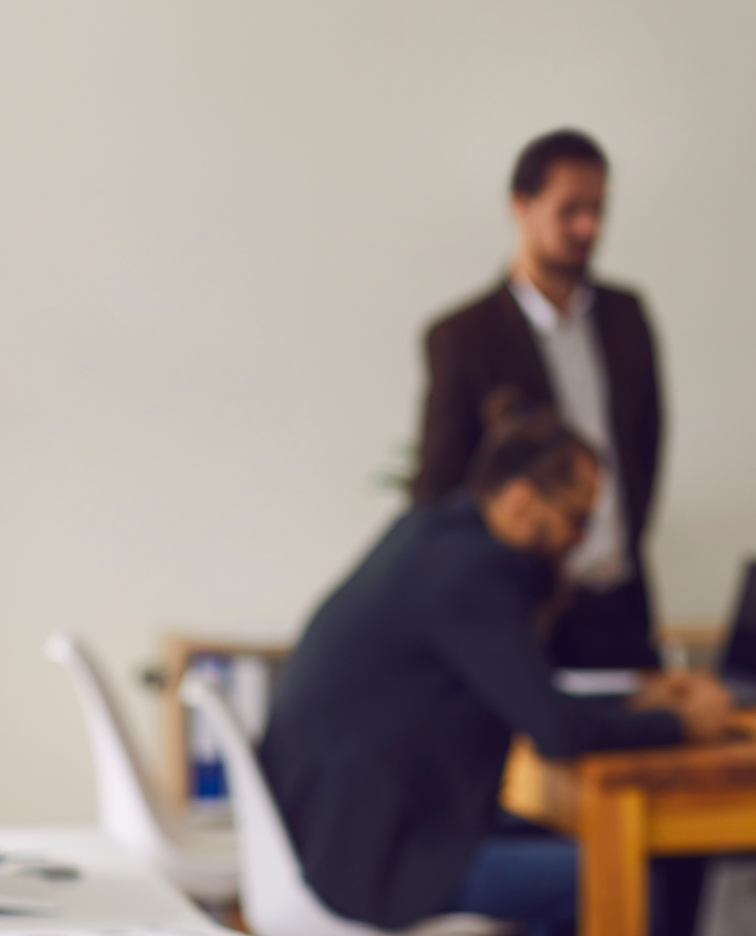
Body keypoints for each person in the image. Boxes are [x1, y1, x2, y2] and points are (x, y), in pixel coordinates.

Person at [261, 400, 731, 936]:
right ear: (520, 500)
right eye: (577, 519)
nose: (581, 540)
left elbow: (526, 694)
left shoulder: (428, 535)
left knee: (603, 848)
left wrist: (636, 704)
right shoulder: (470, 575)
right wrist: (683, 725)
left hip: (352, 832)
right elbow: (555, 731)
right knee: (616, 872)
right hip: (383, 860)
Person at [412, 129, 663, 671]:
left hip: (620, 597)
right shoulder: (463, 338)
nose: (587, 228)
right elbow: (438, 486)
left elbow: (646, 444)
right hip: (524, 611)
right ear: (520, 207)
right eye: (570, 210)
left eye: (598, 210)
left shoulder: (627, 317)